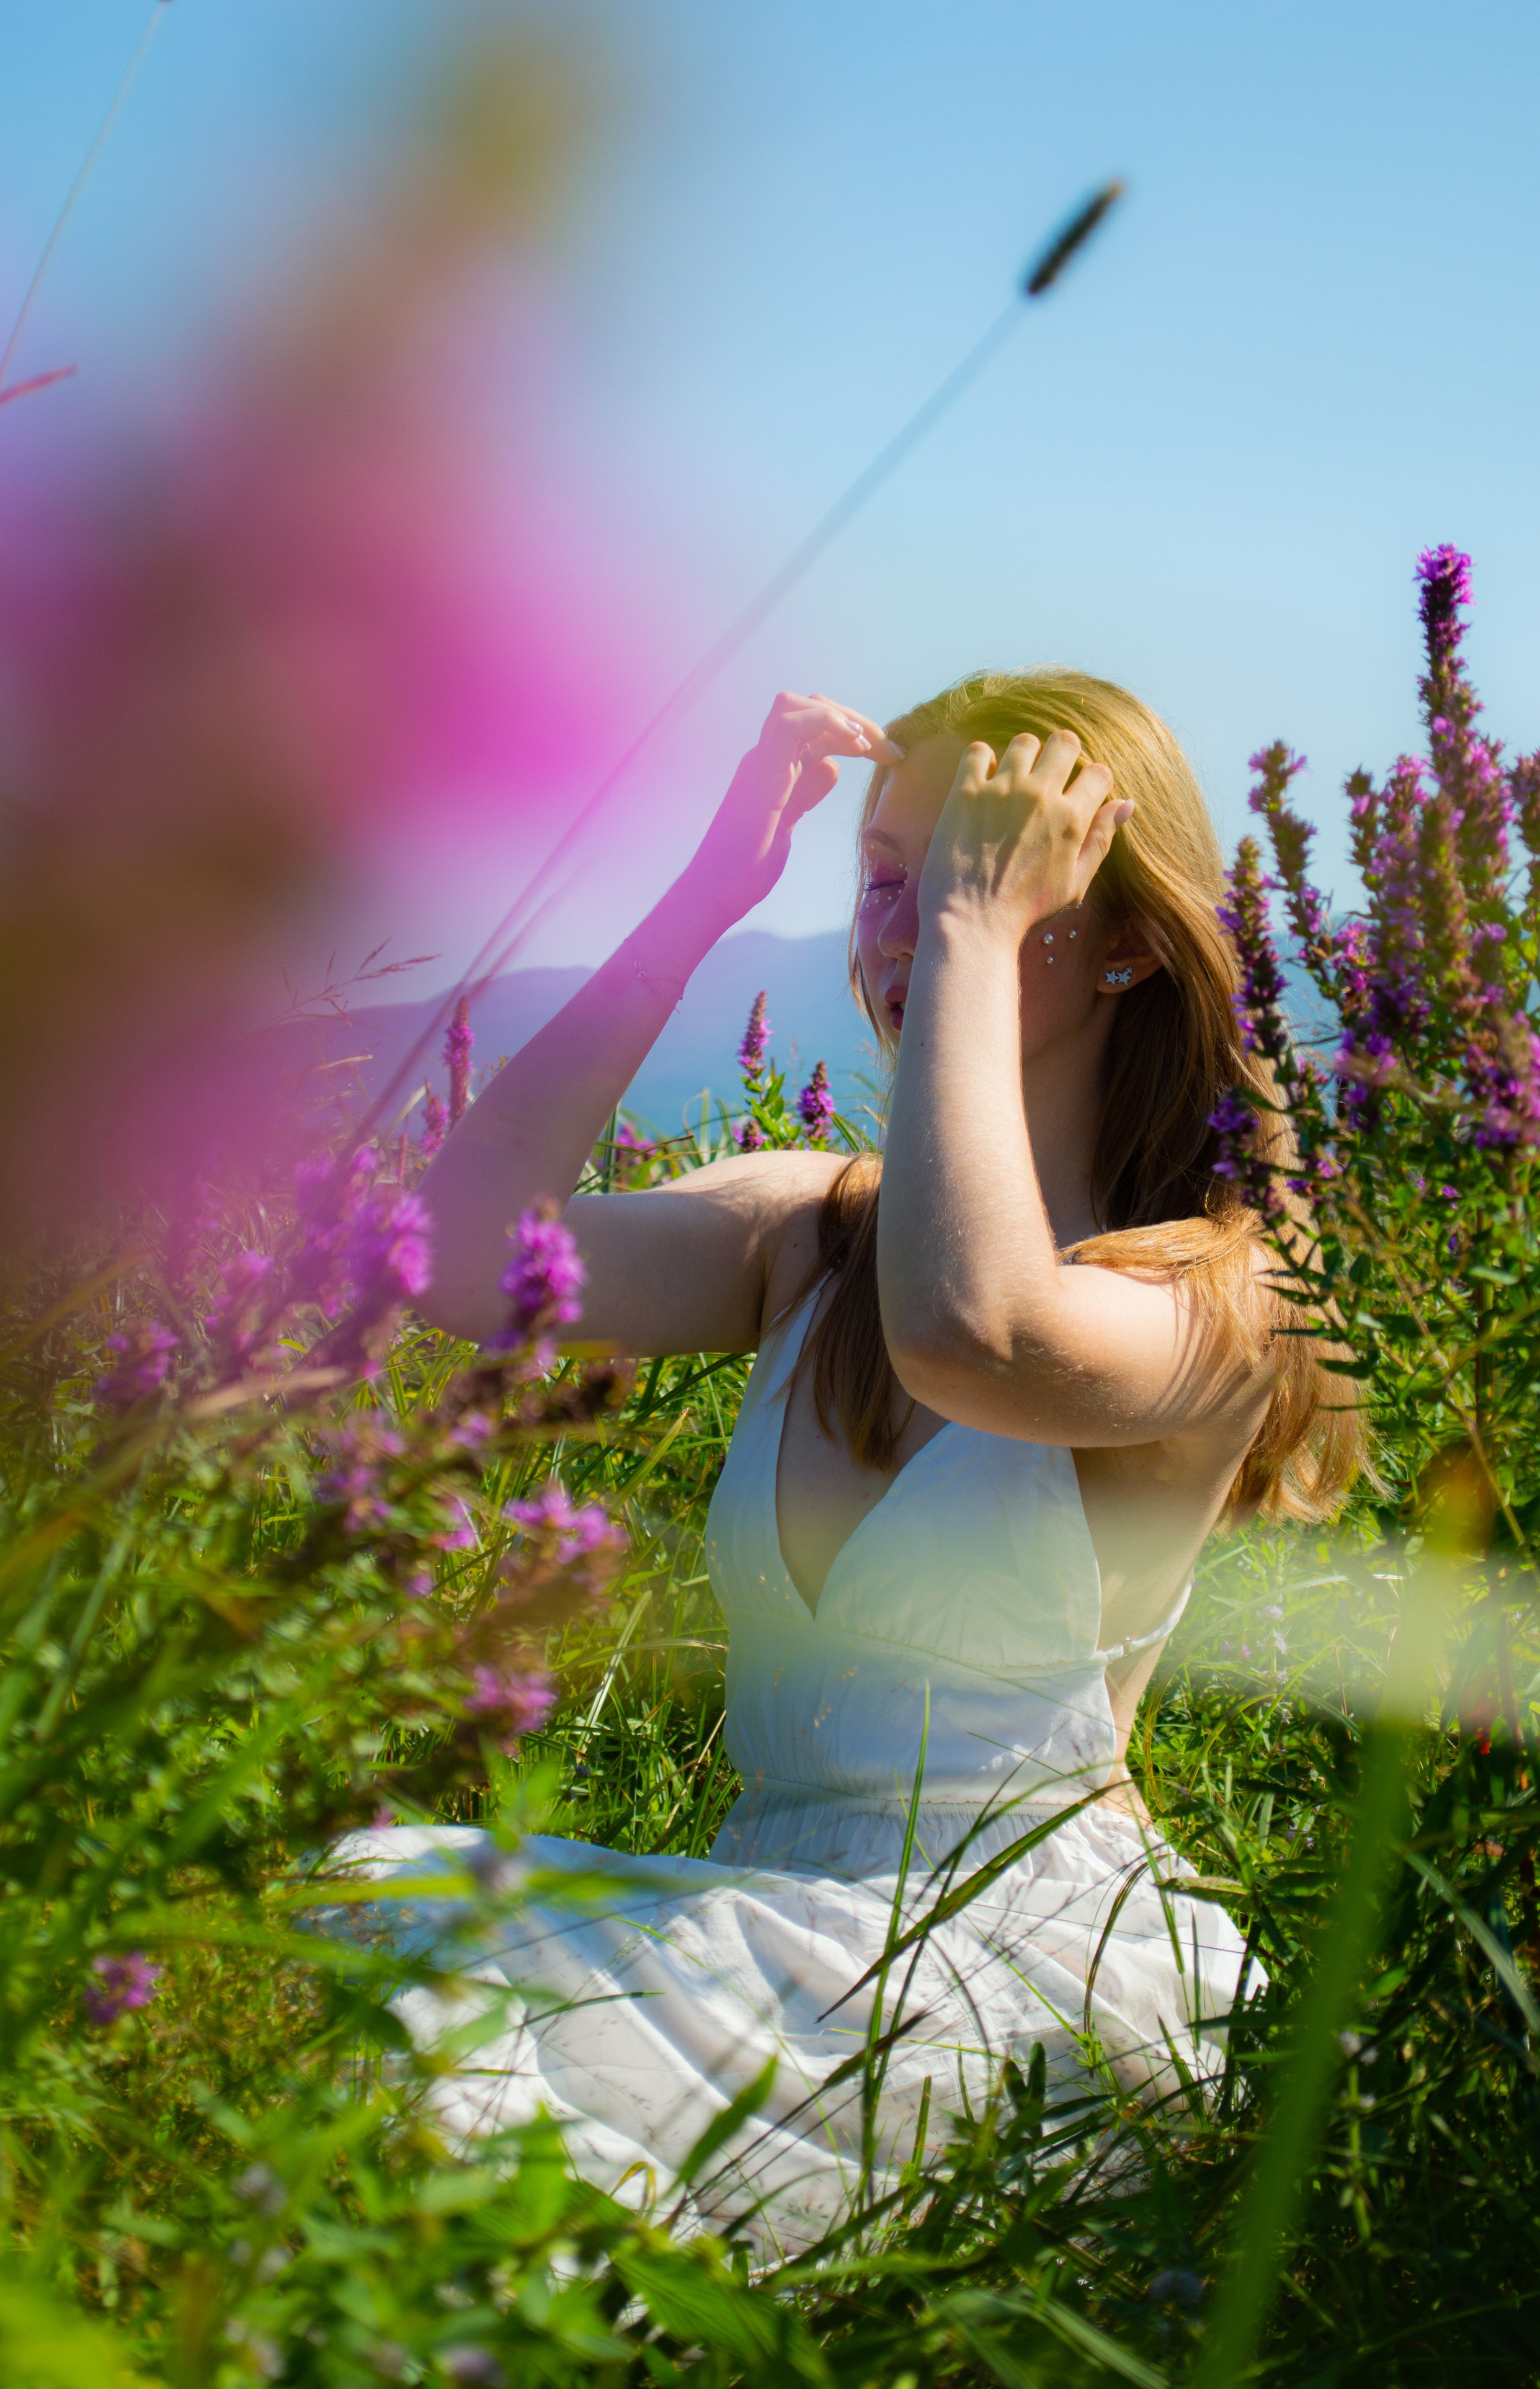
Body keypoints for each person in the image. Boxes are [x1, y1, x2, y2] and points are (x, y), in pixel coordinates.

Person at [331, 671, 1357, 2256]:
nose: (902, 919)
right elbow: (456, 1263)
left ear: (1132, 939)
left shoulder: (1224, 1296)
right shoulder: (806, 1234)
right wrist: (699, 902)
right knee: (366, 1900)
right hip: (758, 1934)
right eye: (883, 873)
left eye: (980, 864)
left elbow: (976, 1333)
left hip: (1014, 1970)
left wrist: (952, 931)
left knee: (450, 2085)